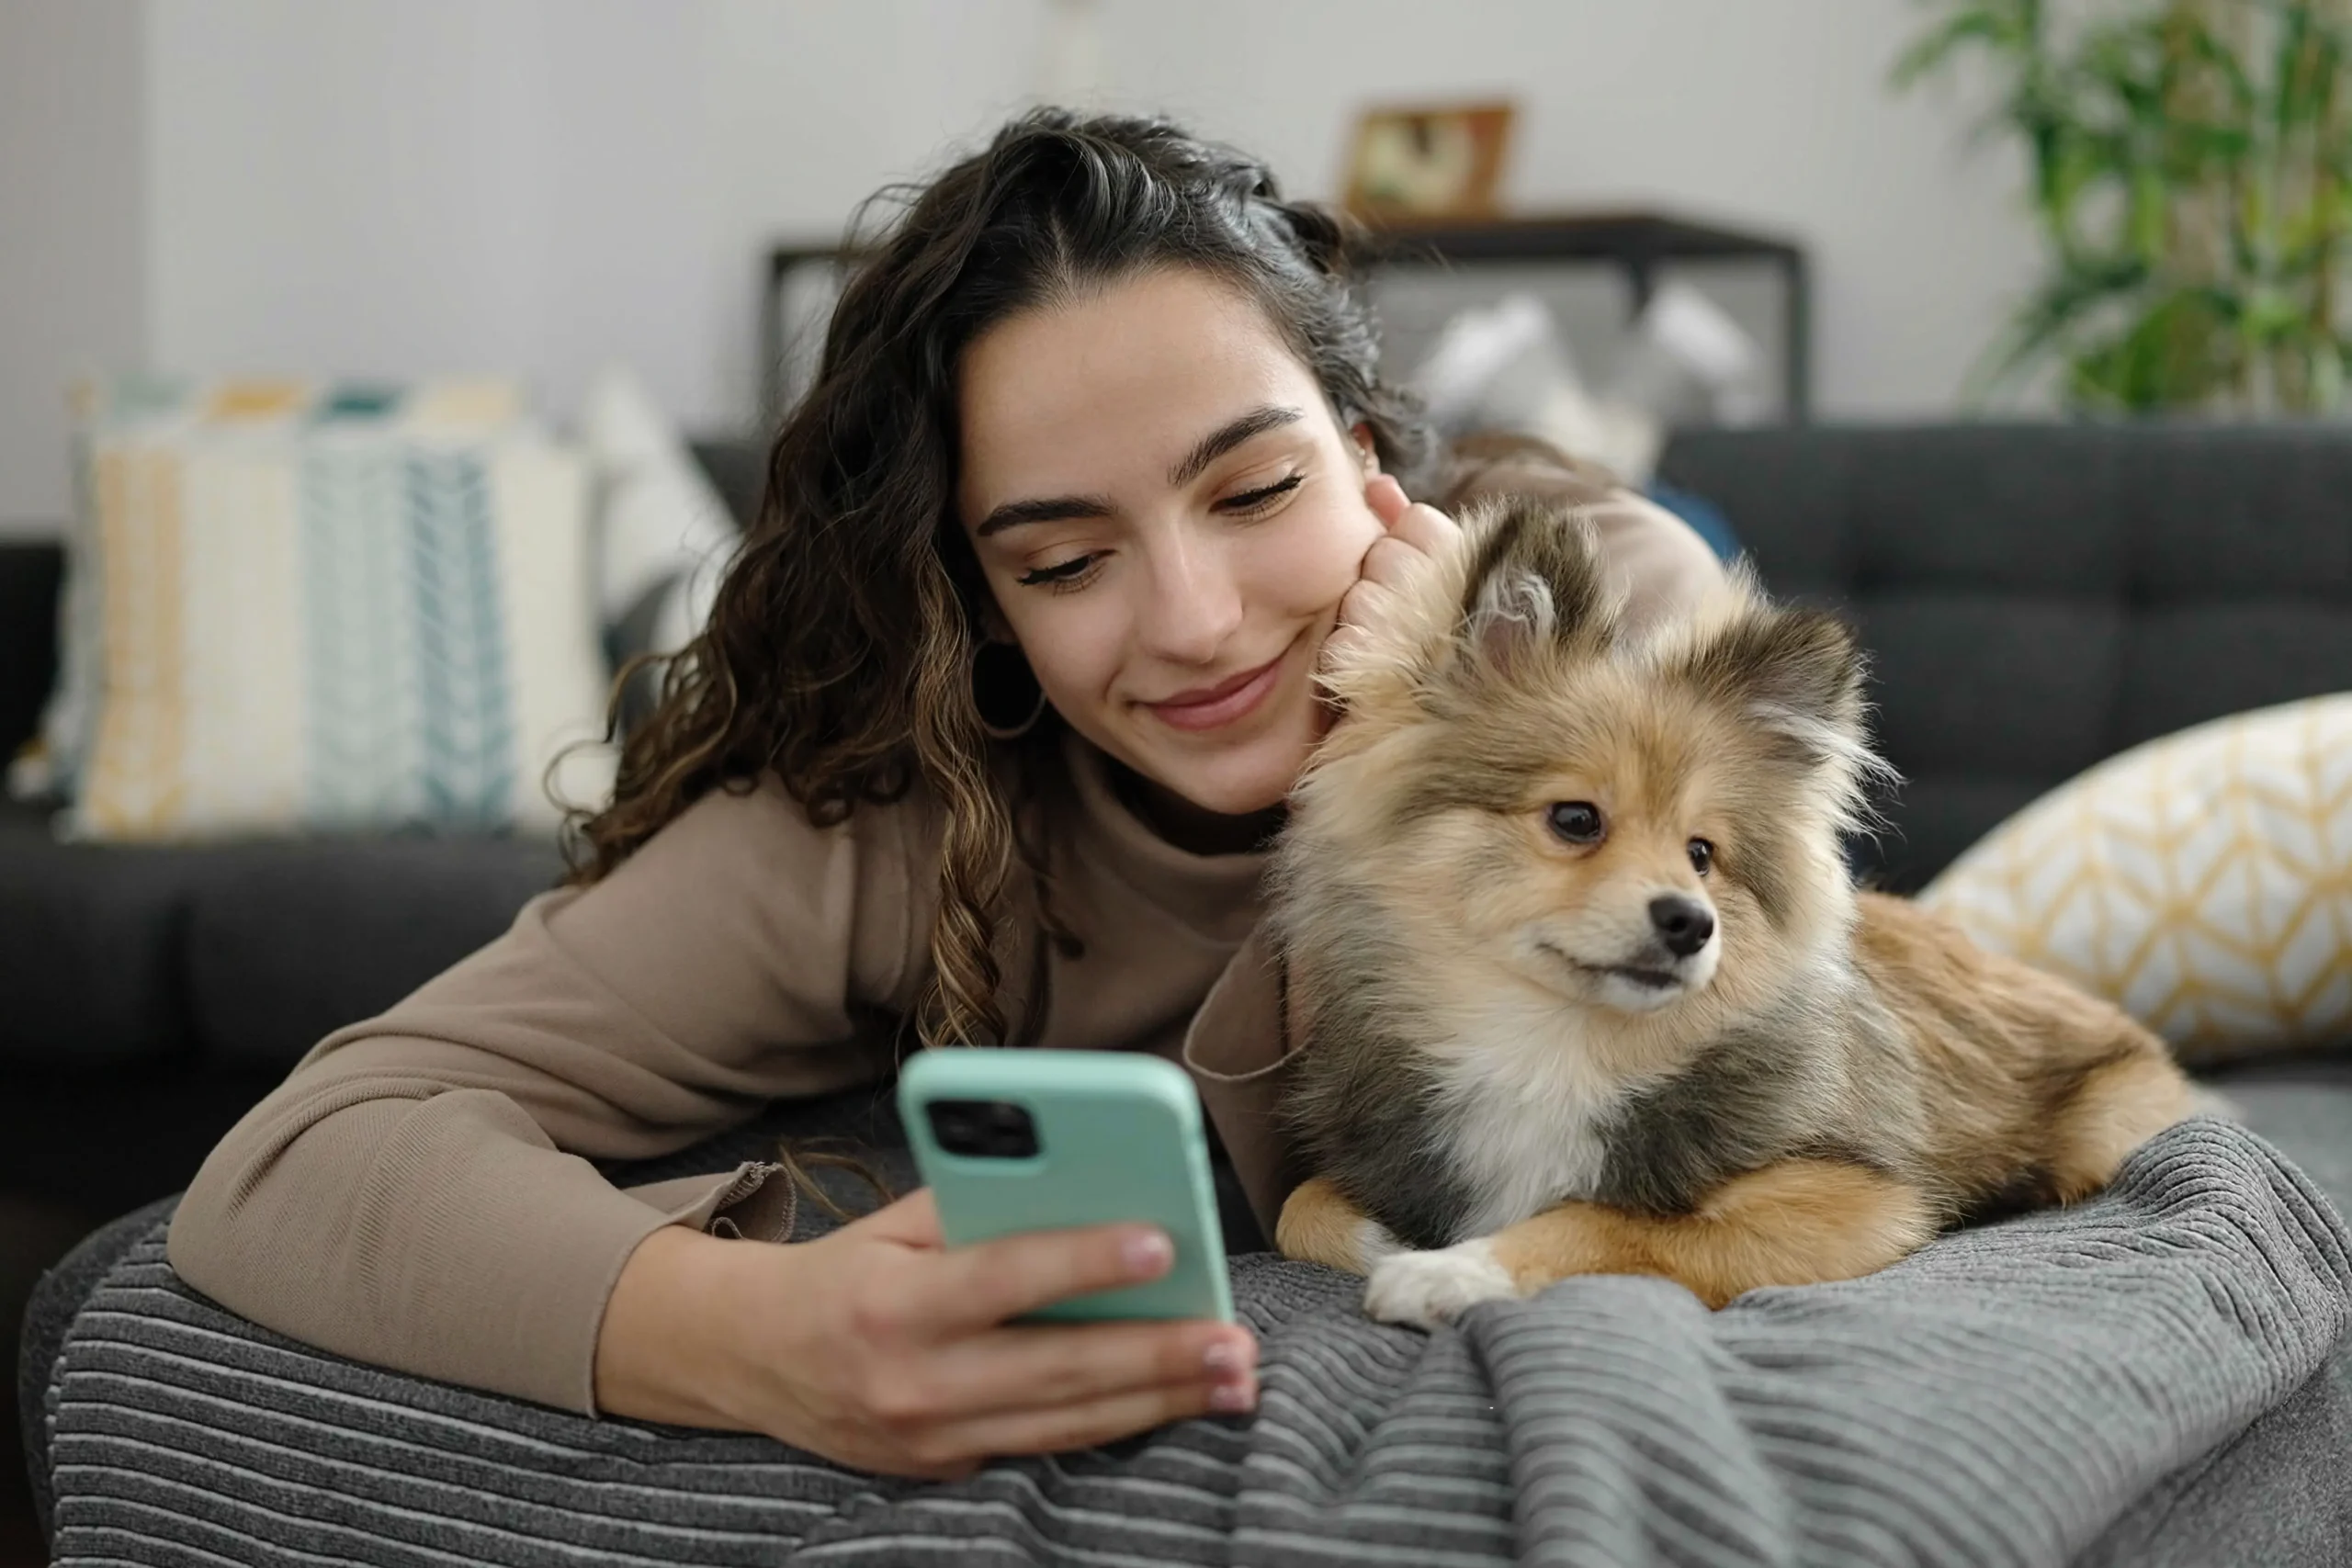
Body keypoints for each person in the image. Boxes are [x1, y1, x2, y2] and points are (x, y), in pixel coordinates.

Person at [166, 109, 1725, 1482]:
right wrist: (747, 1327)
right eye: (1063, 559)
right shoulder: (906, 812)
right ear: (981, 600)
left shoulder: (1609, 617)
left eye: (1256, 491)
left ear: (1366, 452)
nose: (1190, 618)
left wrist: (1428, 721)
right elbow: (303, 1157)